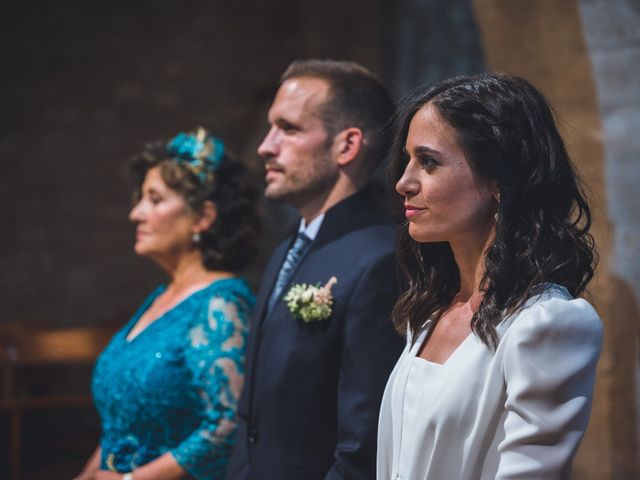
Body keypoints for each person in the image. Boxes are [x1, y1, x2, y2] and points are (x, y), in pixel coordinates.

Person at [377, 73, 603, 479]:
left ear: (498, 178)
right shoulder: (431, 312)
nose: (403, 182)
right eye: (408, 160)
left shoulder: (549, 322)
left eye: (428, 162)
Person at [226, 60, 404, 480]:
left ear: (347, 145)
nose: (266, 147)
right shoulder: (289, 246)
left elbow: (362, 440)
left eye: (288, 128)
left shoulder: (379, 258)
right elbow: (253, 412)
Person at [74, 127, 260, 480]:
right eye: (141, 199)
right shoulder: (159, 297)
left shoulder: (221, 303)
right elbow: (119, 425)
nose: (136, 214)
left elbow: (226, 426)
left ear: (203, 217)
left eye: (155, 200)